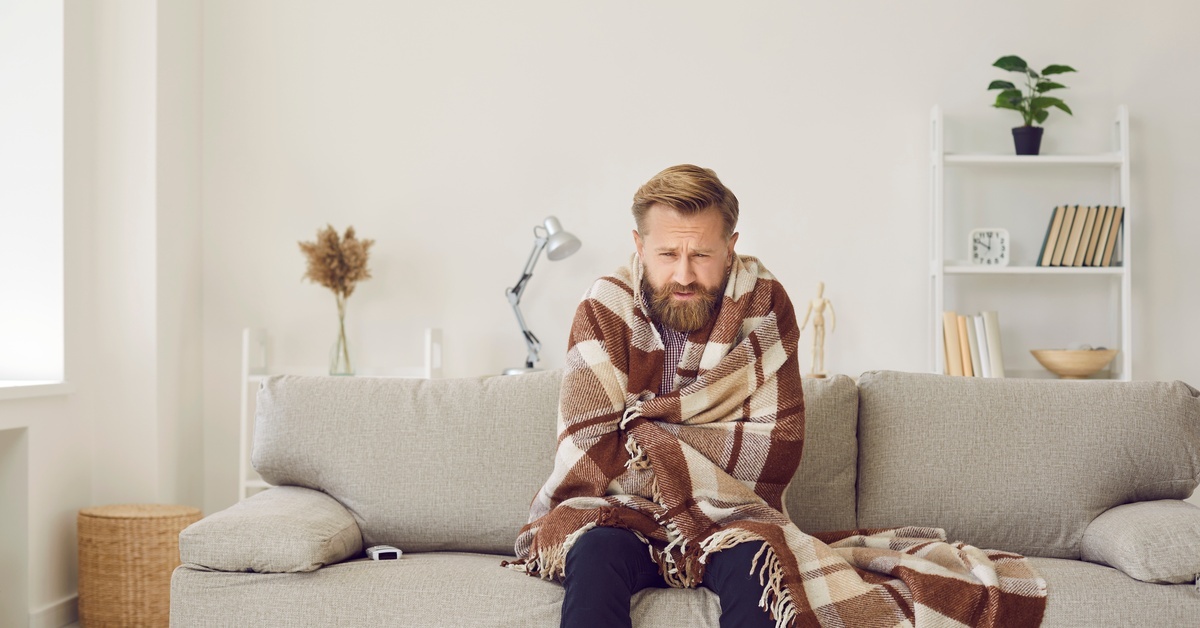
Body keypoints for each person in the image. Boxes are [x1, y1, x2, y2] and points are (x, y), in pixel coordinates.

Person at [510, 165, 806, 627]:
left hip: (732, 516)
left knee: (759, 561)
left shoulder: (764, 305)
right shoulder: (603, 306)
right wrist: (680, 457)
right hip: (620, 515)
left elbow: (779, 442)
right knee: (593, 552)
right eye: (667, 254)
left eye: (702, 254)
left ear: (731, 249)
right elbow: (590, 447)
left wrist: (647, 435)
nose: (683, 274)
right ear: (639, 246)